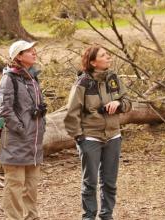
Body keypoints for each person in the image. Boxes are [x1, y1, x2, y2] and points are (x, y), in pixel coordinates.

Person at [64, 44, 132, 220]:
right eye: (104, 55)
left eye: (108, 54)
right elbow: (72, 113)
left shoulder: (113, 78)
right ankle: (89, 217)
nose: (109, 57)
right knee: (90, 183)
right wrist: (80, 138)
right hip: (90, 138)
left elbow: (127, 101)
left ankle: (107, 216)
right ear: (93, 62)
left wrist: (119, 104)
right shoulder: (82, 83)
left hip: (113, 136)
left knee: (109, 182)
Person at [0, 40, 46, 220]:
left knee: (31, 186)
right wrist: (22, 129)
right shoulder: (8, 78)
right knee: (15, 186)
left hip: (34, 143)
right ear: (18, 56)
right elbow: (5, 110)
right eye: (29, 51)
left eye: (34, 50)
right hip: (16, 142)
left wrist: (41, 126)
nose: (34, 53)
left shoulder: (32, 77)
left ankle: (31, 217)